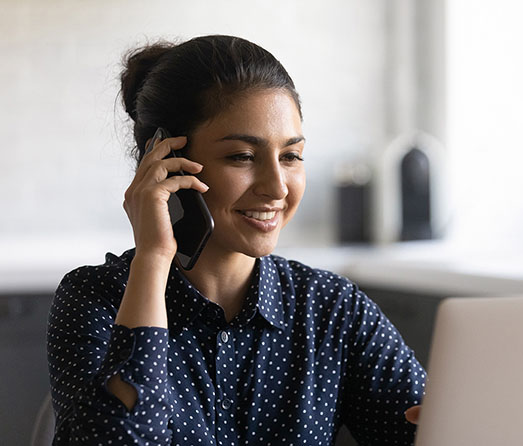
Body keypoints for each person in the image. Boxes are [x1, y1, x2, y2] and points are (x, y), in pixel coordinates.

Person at [47, 34, 425, 445]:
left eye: (291, 156)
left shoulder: (331, 308)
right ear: (166, 165)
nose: (277, 187)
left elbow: (420, 429)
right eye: (242, 157)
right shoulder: (94, 299)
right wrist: (154, 257)